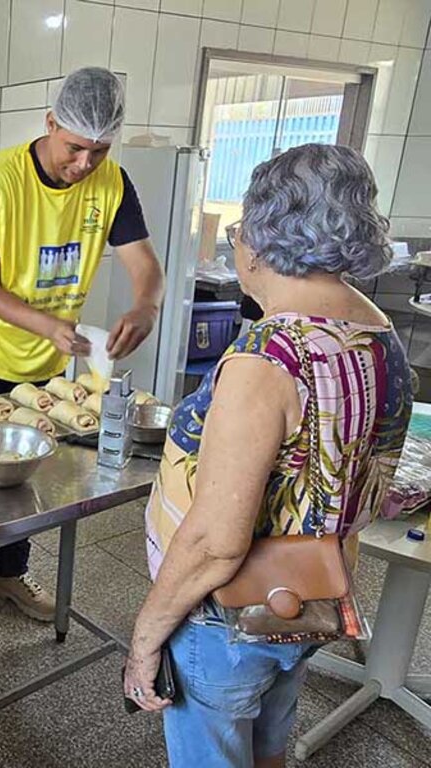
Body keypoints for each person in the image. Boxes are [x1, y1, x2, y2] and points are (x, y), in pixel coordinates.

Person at [124, 144, 414, 767]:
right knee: (267, 747)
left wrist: (145, 639)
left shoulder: (270, 359)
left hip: (225, 617)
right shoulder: (377, 333)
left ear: (260, 238)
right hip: (310, 598)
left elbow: (216, 543)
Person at [0, 67, 164, 645]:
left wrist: (146, 307)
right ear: (50, 123)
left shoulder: (112, 183)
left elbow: (145, 265)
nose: (85, 164)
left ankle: (9, 575)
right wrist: (51, 326)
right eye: (74, 148)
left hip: (42, 363)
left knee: (26, 471)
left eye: (99, 150)